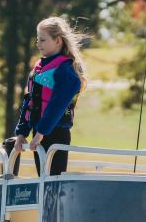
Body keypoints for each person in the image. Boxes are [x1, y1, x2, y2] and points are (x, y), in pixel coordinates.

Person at [6, 16, 86, 176]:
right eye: (37, 39)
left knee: (52, 181)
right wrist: (22, 132)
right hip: (39, 132)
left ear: (58, 41)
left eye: (42, 40)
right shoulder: (39, 68)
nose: (38, 44)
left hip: (55, 133)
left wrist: (41, 132)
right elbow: (29, 100)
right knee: (43, 178)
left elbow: (57, 104)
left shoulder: (65, 70)